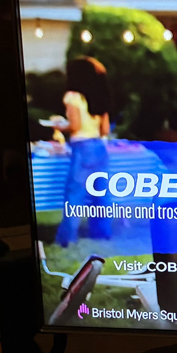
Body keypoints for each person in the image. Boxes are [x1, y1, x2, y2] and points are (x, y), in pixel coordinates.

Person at [54, 57, 114, 247]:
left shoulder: (72, 96)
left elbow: (75, 125)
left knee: (75, 194)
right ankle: (102, 232)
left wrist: (59, 126)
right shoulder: (99, 96)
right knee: (101, 193)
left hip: (82, 147)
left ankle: (67, 237)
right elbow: (105, 130)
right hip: (100, 147)